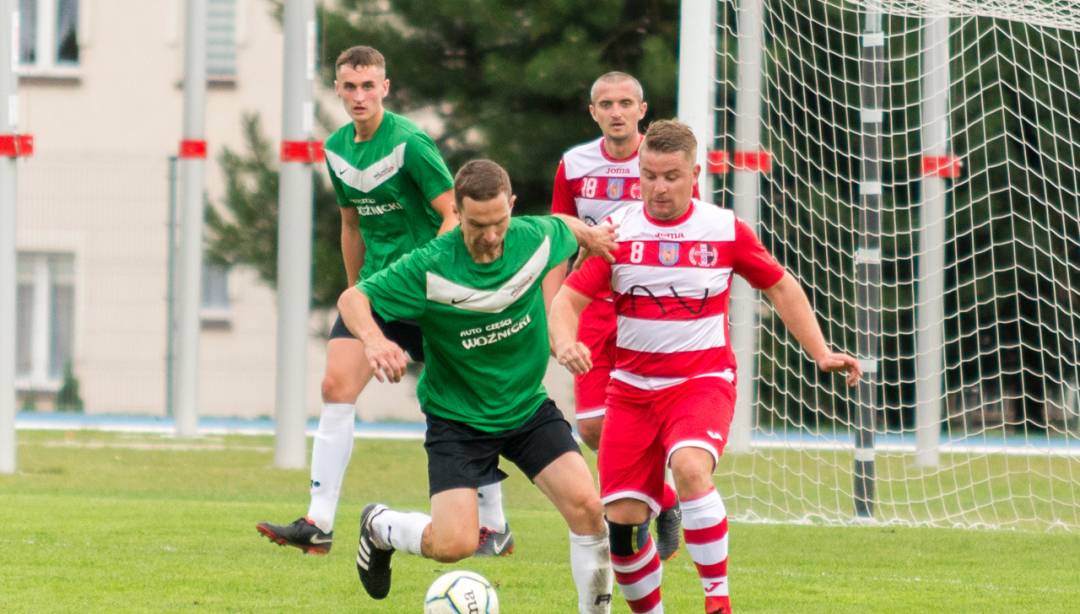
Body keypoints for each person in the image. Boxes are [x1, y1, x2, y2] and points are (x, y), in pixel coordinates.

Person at [549, 120, 862, 614]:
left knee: (690, 467)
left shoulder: (722, 229)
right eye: (649, 175)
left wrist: (820, 351)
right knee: (625, 530)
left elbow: (779, 285)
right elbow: (567, 299)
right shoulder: (616, 233)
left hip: (701, 381)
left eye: (671, 176)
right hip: (630, 391)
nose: (659, 187)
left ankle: (719, 604)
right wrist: (564, 342)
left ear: (694, 173)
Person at [256, 45, 512, 556]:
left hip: (430, 292)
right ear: (337, 89)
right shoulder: (335, 148)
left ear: (385, 87)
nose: (359, 96)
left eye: (368, 86)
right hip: (379, 290)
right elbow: (351, 222)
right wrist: (358, 293)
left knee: (467, 399)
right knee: (335, 383)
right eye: (350, 87)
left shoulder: (411, 143)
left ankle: (494, 524)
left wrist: (435, 276)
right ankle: (318, 522)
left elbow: (451, 215)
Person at [344, 160, 617, 613]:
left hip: (527, 409)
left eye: (498, 223)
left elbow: (565, 226)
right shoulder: (430, 265)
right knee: (454, 544)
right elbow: (354, 299)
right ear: (455, 210)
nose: (490, 237)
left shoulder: (535, 236)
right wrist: (374, 341)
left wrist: (591, 238)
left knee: (589, 510)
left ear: (511, 208)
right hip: (458, 419)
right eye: (475, 224)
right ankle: (382, 526)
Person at [543, 71, 685, 561]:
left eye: (626, 102)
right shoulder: (574, 164)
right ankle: (665, 501)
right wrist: (552, 317)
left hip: (648, 306)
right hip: (594, 309)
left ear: (642, 110)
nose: (617, 111)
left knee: (651, 417)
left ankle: (640, 510)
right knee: (591, 429)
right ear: (594, 112)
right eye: (607, 103)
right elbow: (557, 238)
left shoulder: (664, 163)